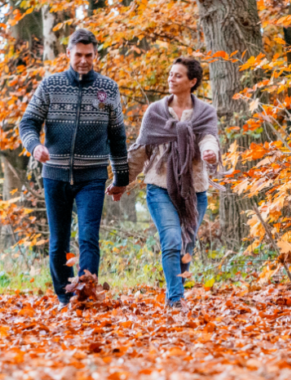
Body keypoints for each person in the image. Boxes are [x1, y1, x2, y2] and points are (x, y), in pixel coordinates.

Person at [19, 29, 129, 309]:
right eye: (78, 55)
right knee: (58, 243)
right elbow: (28, 122)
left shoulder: (108, 89)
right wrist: (35, 146)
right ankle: (64, 297)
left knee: (88, 238)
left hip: (92, 177)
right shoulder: (51, 85)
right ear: (68, 54)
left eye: (88, 55)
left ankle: (84, 295)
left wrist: (121, 178)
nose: (83, 60)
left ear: (95, 55)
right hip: (54, 176)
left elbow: (117, 136)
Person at [119, 57, 220, 309]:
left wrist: (210, 152)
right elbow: (140, 150)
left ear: (192, 81)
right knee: (172, 239)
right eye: (170, 74)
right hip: (159, 186)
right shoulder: (155, 111)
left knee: (187, 244)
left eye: (177, 75)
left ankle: (176, 292)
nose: (171, 79)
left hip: (195, 189)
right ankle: (176, 299)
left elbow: (209, 138)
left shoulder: (205, 112)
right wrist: (122, 182)